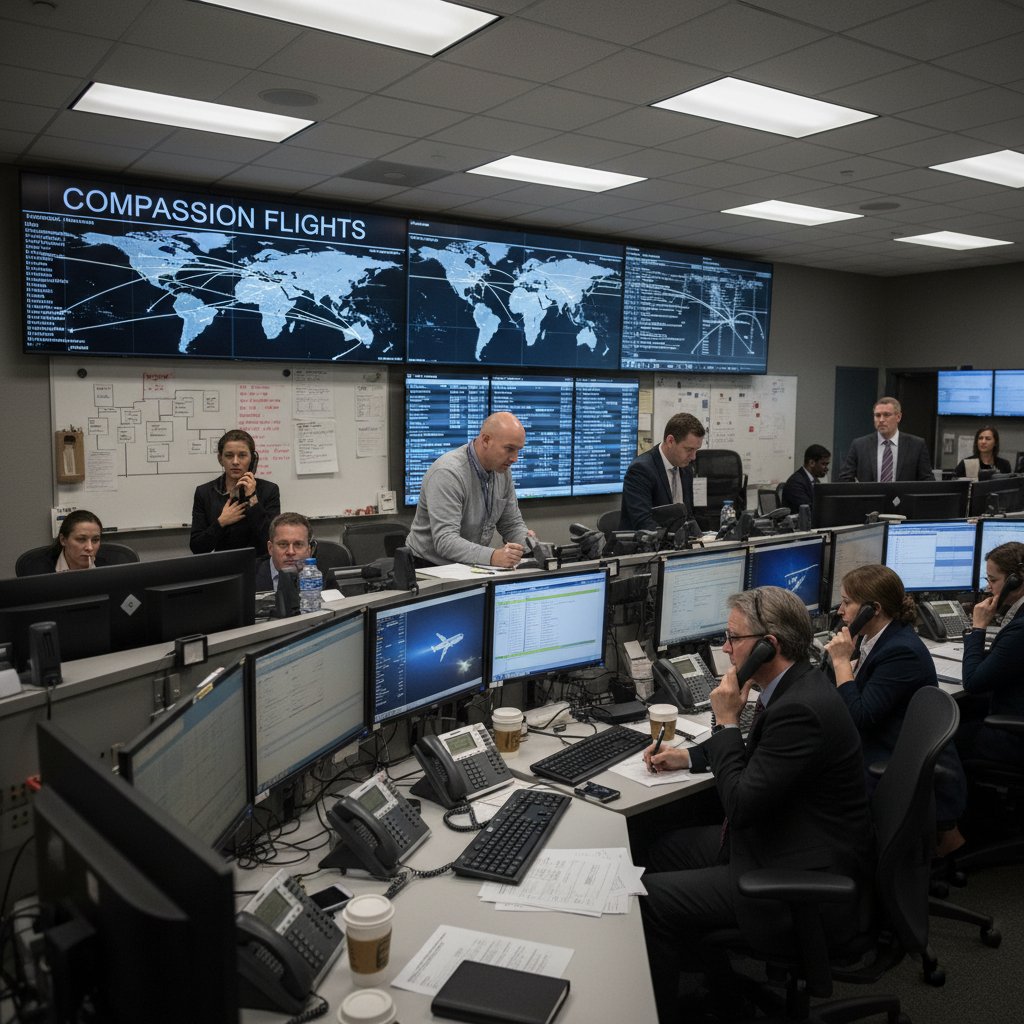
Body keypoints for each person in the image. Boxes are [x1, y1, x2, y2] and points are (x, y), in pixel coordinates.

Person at [640, 587, 873, 1023]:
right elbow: (763, 757)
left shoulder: (800, 708)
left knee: (649, 898)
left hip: (795, 868)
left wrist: (726, 720)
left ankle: (666, 1011)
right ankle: (720, 986)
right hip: (782, 834)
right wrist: (691, 756)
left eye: (733, 638)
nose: (724, 649)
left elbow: (742, 803)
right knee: (661, 847)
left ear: (770, 646)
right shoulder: (799, 683)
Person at [824, 564, 966, 856]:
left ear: (873, 609)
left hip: (888, 761)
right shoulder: (873, 639)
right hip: (888, 744)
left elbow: (859, 717)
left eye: (848, 602)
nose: (840, 610)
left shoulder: (899, 651)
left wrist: (841, 664)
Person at [405, 411, 529, 568]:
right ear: (485, 440)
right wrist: (492, 556)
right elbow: (445, 541)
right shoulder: (448, 473)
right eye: (509, 449)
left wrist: (530, 544)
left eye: (518, 450)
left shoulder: (502, 470)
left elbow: (511, 524)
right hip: (428, 567)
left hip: (469, 565)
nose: (515, 458)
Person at [958, 542, 1024, 768]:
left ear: (1015, 581)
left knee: (935, 738)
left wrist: (978, 628)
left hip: (1013, 737)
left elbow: (973, 682)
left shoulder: (1020, 628)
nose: (988, 588)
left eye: (993, 580)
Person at [190, 429, 280, 554]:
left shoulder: (269, 490)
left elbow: (271, 540)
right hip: (223, 565)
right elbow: (197, 547)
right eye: (229, 455)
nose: (235, 462)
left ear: (252, 459)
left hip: (258, 565)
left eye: (242, 455)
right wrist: (221, 522)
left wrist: (252, 497)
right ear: (220, 459)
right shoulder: (204, 493)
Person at [620, 412, 706, 531]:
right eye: (689, 449)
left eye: (696, 450)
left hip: (678, 547)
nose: (693, 457)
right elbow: (644, 524)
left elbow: (688, 516)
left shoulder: (686, 469)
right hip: (645, 546)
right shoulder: (641, 470)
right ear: (670, 441)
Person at [838, 396, 933, 482]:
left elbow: (927, 480)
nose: (881, 420)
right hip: (870, 500)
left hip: (904, 500)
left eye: (886, 415)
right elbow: (845, 479)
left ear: (898, 417)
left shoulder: (916, 445)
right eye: (877, 415)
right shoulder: (859, 445)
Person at [255, 512, 332, 592]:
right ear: (270, 548)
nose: (290, 552)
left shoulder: (323, 576)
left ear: (309, 550)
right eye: (283, 544)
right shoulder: (249, 576)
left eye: (298, 544)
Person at [18, 510, 110, 574]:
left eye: (95, 540)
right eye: (81, 539)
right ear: (63, 540)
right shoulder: (37, 570)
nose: (90, 547)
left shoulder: (110, 566)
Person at [780, 443, 830, 512]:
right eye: (823, 464)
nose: (827, 468)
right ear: (811, 463)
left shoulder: (814, 480)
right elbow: (807, 510)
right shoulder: (795, 482)